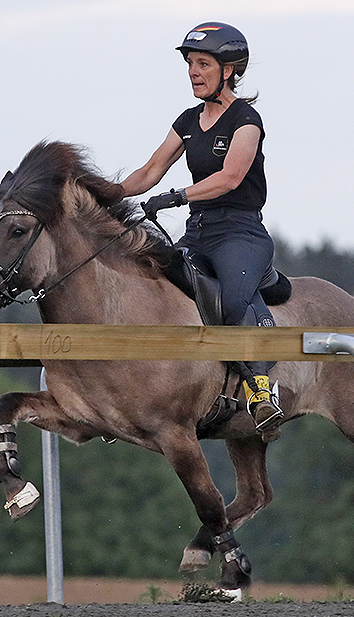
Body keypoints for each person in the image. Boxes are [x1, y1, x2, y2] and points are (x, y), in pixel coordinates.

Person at [120, 21, 286, 434]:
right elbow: (150, 170)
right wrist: (101, 192)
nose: (193, 72)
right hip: (198, 233)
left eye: (203, 64)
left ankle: (260, 389)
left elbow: (230, 177)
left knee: (230, 304)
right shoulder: (188, 120)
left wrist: (177, 197)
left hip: (240, 233)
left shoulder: (247, 120)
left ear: (227, 70)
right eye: (191, 64)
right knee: (156, 290)